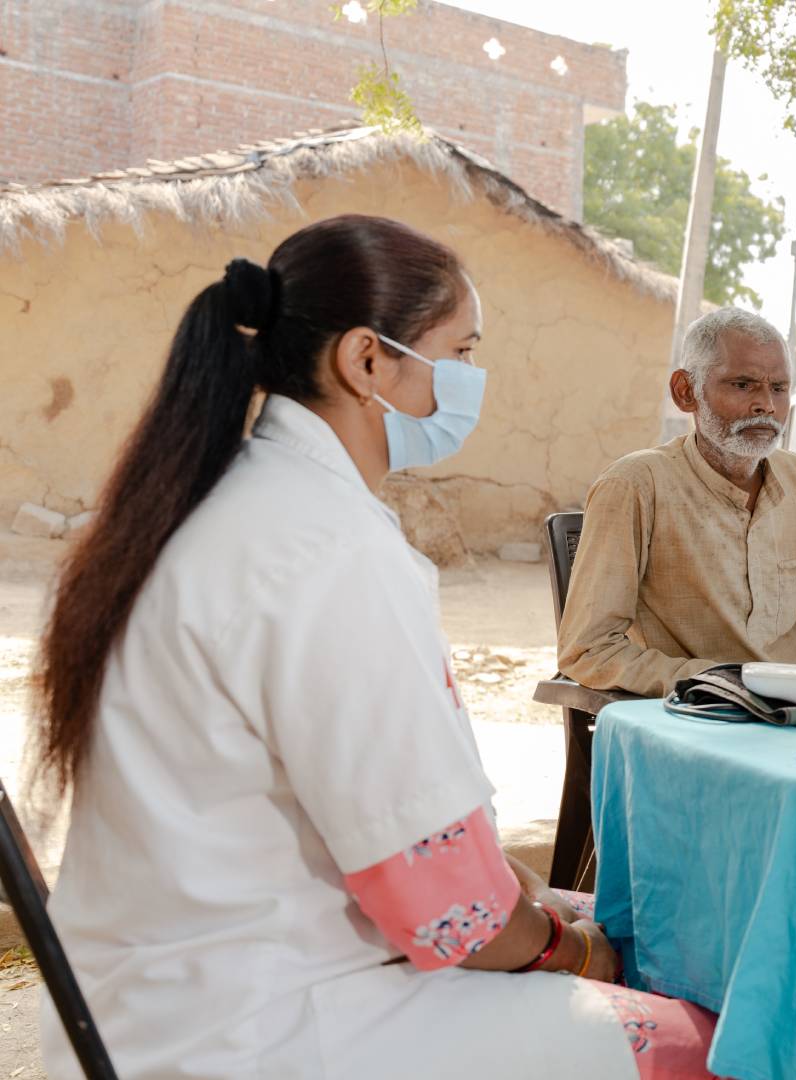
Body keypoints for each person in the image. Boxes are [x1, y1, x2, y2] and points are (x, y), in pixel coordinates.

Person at [32, 215, 717, 1079]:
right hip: (266, 1029)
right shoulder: (327, 551)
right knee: (713, 1035)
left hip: (163, 1000)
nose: (471, 381)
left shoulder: (220, 506)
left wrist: (532, 900)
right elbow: (455, 915)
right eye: (460, 354)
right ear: (365, 361)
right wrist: (581, 956)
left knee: (598, 918)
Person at [559, 307, 796, 697]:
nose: (766, 404)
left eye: (778, 388)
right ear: (685, 392)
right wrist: (727, 684)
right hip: (699, 719)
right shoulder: (635, 485)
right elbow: (589, 649)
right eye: (743, 385)